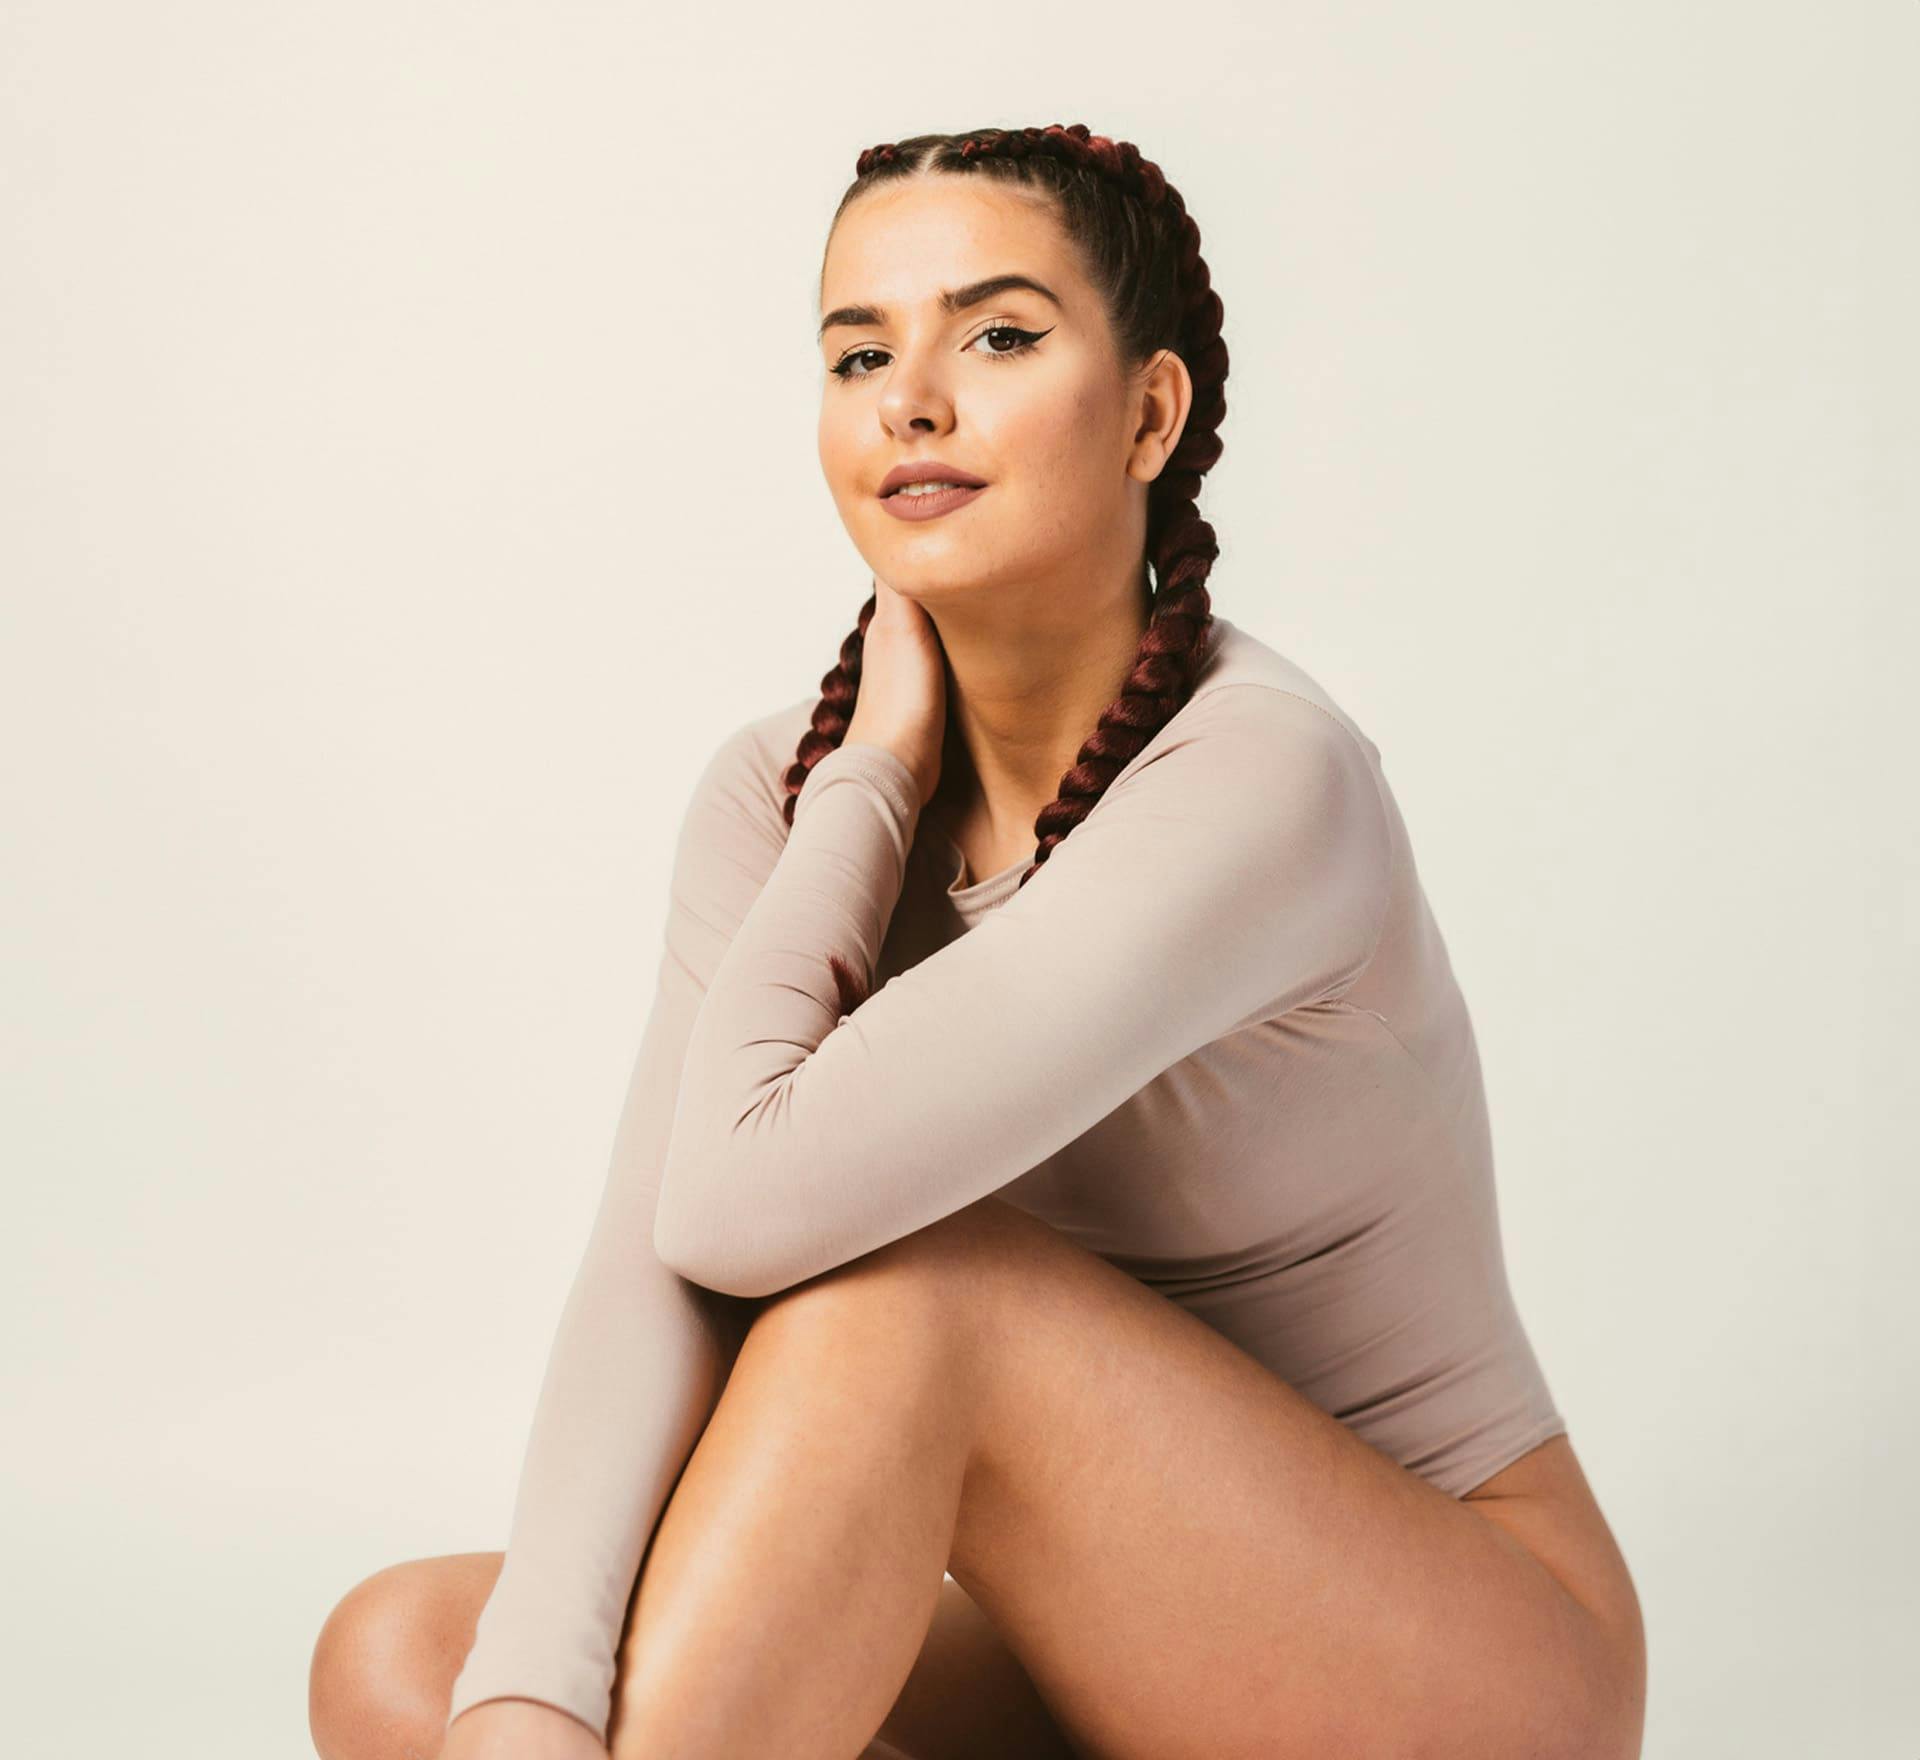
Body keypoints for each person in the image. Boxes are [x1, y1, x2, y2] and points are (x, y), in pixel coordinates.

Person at [308, 124, 1646, 1760]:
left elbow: (736, 1200)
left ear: (1150, 414)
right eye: (859, 354)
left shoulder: (1260, 778)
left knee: (915, 1297)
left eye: (997, 337)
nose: (912, 402)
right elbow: (652, 1270)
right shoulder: (779, 793)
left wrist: (876, 772)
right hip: (1082, 1636)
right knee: (411, 1659)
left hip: (1451, 1655)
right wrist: (526, 1705)